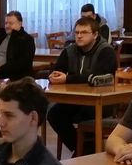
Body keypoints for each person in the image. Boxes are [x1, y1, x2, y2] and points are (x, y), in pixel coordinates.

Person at [46, 17, 118, 156]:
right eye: (77, 32)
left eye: (84, 32)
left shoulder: (106, 51)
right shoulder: (69, 51)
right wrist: (54, 76)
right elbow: (56, 70)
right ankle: (82, 149)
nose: (79, 36)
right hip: (75, 100)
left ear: (95, 35)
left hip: (101, 101)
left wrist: (68, 79)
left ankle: (84, 150)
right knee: (54, 114)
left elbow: (97, 78)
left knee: (87, 116)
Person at [0, 10, 36, 80]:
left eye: (11, 23)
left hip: (16, 78)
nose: (7, 26)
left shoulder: (27, 39)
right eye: (6, 23)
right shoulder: (1, 36)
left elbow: (22, 63)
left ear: (20, 24)